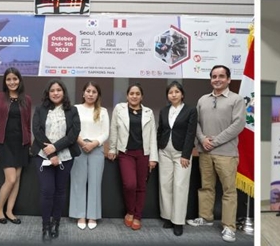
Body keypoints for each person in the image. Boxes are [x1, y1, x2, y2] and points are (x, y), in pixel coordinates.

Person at [187, 65, 246, 243]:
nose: (217, 79)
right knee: (206, 187)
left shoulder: (236, 99)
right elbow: (195, 123)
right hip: (205, 152)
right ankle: (205, 218)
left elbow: (238, 125)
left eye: (221, 76)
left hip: (226, 154)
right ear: (210, 79)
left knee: (228, 191)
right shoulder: (203, 99)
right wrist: (203, 140)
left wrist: (215, 141)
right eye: (214, 76)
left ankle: (229, 227)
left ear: (228, 79)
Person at [33, 80, 80, 241]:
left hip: (65, 157)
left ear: (63, 92)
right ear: (48, 93)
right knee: (47, 191)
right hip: (43, 156)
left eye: (59, 90)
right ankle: (45, 225)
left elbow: (73, 135)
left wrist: (55, 148)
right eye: (52, 90)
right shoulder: (40, 109)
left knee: (60, 192)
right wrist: (51, 154)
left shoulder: (72, 110)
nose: (55, 93)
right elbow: (37, 131)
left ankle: (56, 223)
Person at [108, 84, 158, 232]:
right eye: (131, 93)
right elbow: (114, 129)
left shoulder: (148, 112)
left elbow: (153, 136)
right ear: (127, 95)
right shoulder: (119, 109)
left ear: (141, 96)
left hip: (144, 153)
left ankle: (137, 215)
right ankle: (130, 211)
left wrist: (153, 157)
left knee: (141, 187)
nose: (134, 96)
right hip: (125, 152)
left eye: (137, 94)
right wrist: (112, 148)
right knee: (130, 184)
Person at [0, 67, 32, 225]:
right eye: (9, 79)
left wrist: (29, 141)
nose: (12, 82)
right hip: (4, 143)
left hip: (21, 143)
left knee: (17, 179)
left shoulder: (26, 99)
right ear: (5, 82)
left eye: (15, 79)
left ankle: (10, 211)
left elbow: (27, 123)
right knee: (11, 179)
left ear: (19, 80)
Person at [157, 81, 198, 236]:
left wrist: (186, 155)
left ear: (182, 94)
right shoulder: (163, 110)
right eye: (170, 92)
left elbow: (190, 133)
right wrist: (157, 149)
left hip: (182, 154)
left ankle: (178, 221)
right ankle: (167, 217)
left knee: (180, 186)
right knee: (165, 185)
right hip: (164, 152)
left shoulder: (190, 110)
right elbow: (160, 130)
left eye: (176, 92)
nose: (173, 94)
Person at [69, 82, 109, 231]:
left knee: (95, 183)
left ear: (97, 94)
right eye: (88, 91)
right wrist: (80, 142)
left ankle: (92, 216)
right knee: (78, 182)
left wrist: (94, 143)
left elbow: (105, 132)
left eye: (94, 92)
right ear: (83, 93)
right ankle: (80, 215)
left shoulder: (103, 111)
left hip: (96, 148)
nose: (91, 94)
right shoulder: (75, 109)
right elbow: (71, 128)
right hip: (78, 147)